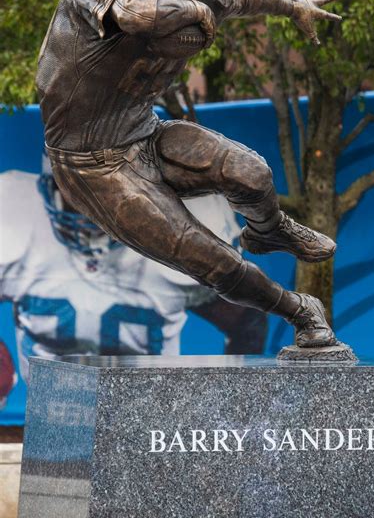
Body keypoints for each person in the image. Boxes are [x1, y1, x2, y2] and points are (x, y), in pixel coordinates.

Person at [37, 0, 342, 348]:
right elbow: (133, 14)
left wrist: (291, 4)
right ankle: (301, 311)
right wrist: (193, 13)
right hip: (93, 163)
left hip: (144, 132)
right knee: (213, 260)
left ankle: (267, 228)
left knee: (250, 173)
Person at [0, 163, 267, 385]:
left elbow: (246, 318)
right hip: (53, 414)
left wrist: (232, 398)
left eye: (105, 187)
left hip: (147, 413)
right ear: (53, 179)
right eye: (77, 186)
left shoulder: (177, 232)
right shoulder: (16, 215)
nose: (92, 203)